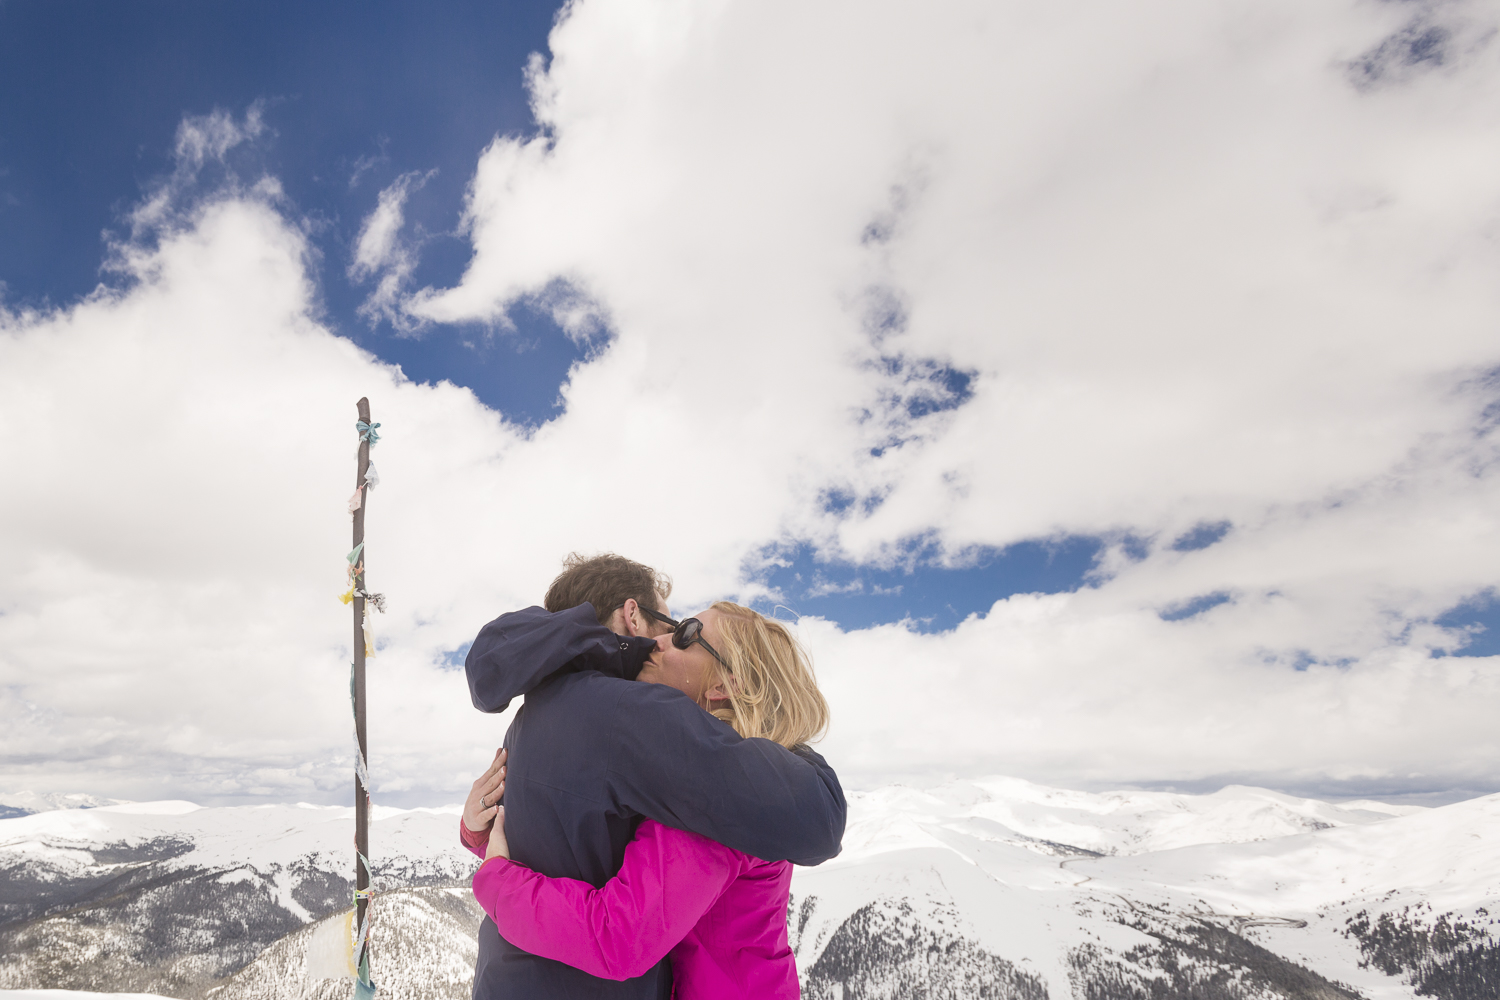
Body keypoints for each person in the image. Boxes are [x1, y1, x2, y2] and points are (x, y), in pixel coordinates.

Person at [458, 554, 845, 1000]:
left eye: (686, 634)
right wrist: (483, 835)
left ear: (727, 684)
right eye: (674, 626)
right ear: (632, 614)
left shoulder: (714, 790)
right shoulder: (695, 770)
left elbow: (618, 936)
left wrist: (497, 878)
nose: (662, 641)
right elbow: (572, 841)